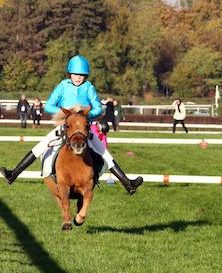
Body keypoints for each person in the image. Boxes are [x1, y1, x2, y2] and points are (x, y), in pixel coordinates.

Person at [0, 55, 143, 194]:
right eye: (75, 74)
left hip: (82, 127)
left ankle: (127, 183)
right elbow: (49, 106)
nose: (78, 77)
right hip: (65, 126)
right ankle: (13, 174)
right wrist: (67, 113)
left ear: (85, 75)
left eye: (81, 74)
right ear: (70, 73)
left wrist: (85, 113)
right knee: (41, 146)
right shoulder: (62, 86)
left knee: (103, 151)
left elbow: (98, 108)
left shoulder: (89, 87)